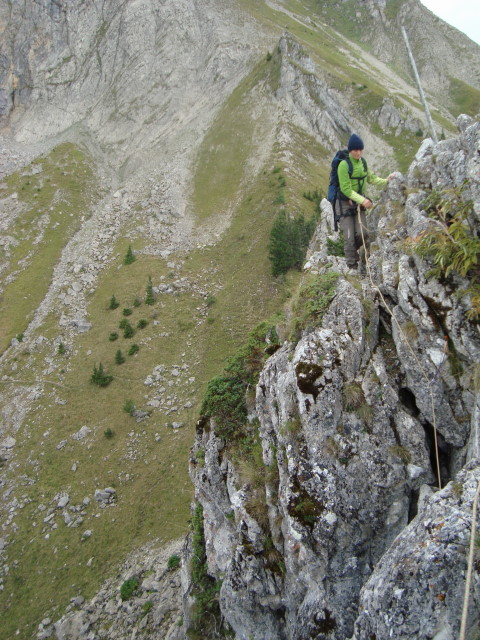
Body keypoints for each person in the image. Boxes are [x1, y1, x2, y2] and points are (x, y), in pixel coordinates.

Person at [336, 133, 394, 271]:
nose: (358, 153)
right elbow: (346, 189)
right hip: (344, 204)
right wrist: (363, 200)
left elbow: (371, 178)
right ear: (350, 150)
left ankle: (351, 252)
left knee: (362, 233)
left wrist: (386, 181)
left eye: (360, 150)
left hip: (359, 204)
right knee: (349, 236)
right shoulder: (343, 165)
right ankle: (352, 266)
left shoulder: (363, 163)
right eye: (355, 150)